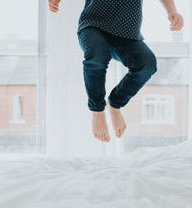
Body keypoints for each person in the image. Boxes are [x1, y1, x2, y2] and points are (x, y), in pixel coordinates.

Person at [48, 0, 184, 142]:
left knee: (147, 64)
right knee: (97, 55)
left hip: (127, 33)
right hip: (93, 25)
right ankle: (97, 110)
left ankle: (115, 103)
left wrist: (172, 11)